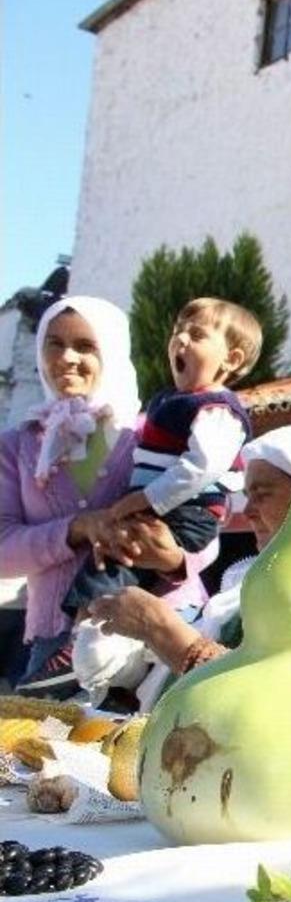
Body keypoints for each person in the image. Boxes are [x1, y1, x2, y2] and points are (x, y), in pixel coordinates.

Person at [0, 297, 208, 696]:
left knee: (138, 752)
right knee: (46, 752)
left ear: (111, 352)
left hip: (156, 633)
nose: (67, 358)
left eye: (85, 345)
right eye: (54, 344)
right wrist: (77, 528)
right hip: (56, 645)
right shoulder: (17, 446)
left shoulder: (153, 431)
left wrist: (175, 557)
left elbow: (204, 523)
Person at [60, 297, 258, 622]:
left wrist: (145, 500)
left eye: (196, 335)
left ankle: (87, 632)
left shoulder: (218, 409)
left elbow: (202, 468)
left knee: (118, 558)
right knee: (111, 556)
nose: (180, 339)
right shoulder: (170, 401)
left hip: (185, 514)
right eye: (178, 331)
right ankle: (87, 630)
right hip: (163, 508)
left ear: (231, 359)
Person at [85, 425, 291, 679]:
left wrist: (157, 626)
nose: (248, 511)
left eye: (262, 495)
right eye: (247, 496)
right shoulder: (245, 579)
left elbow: (270, 693)